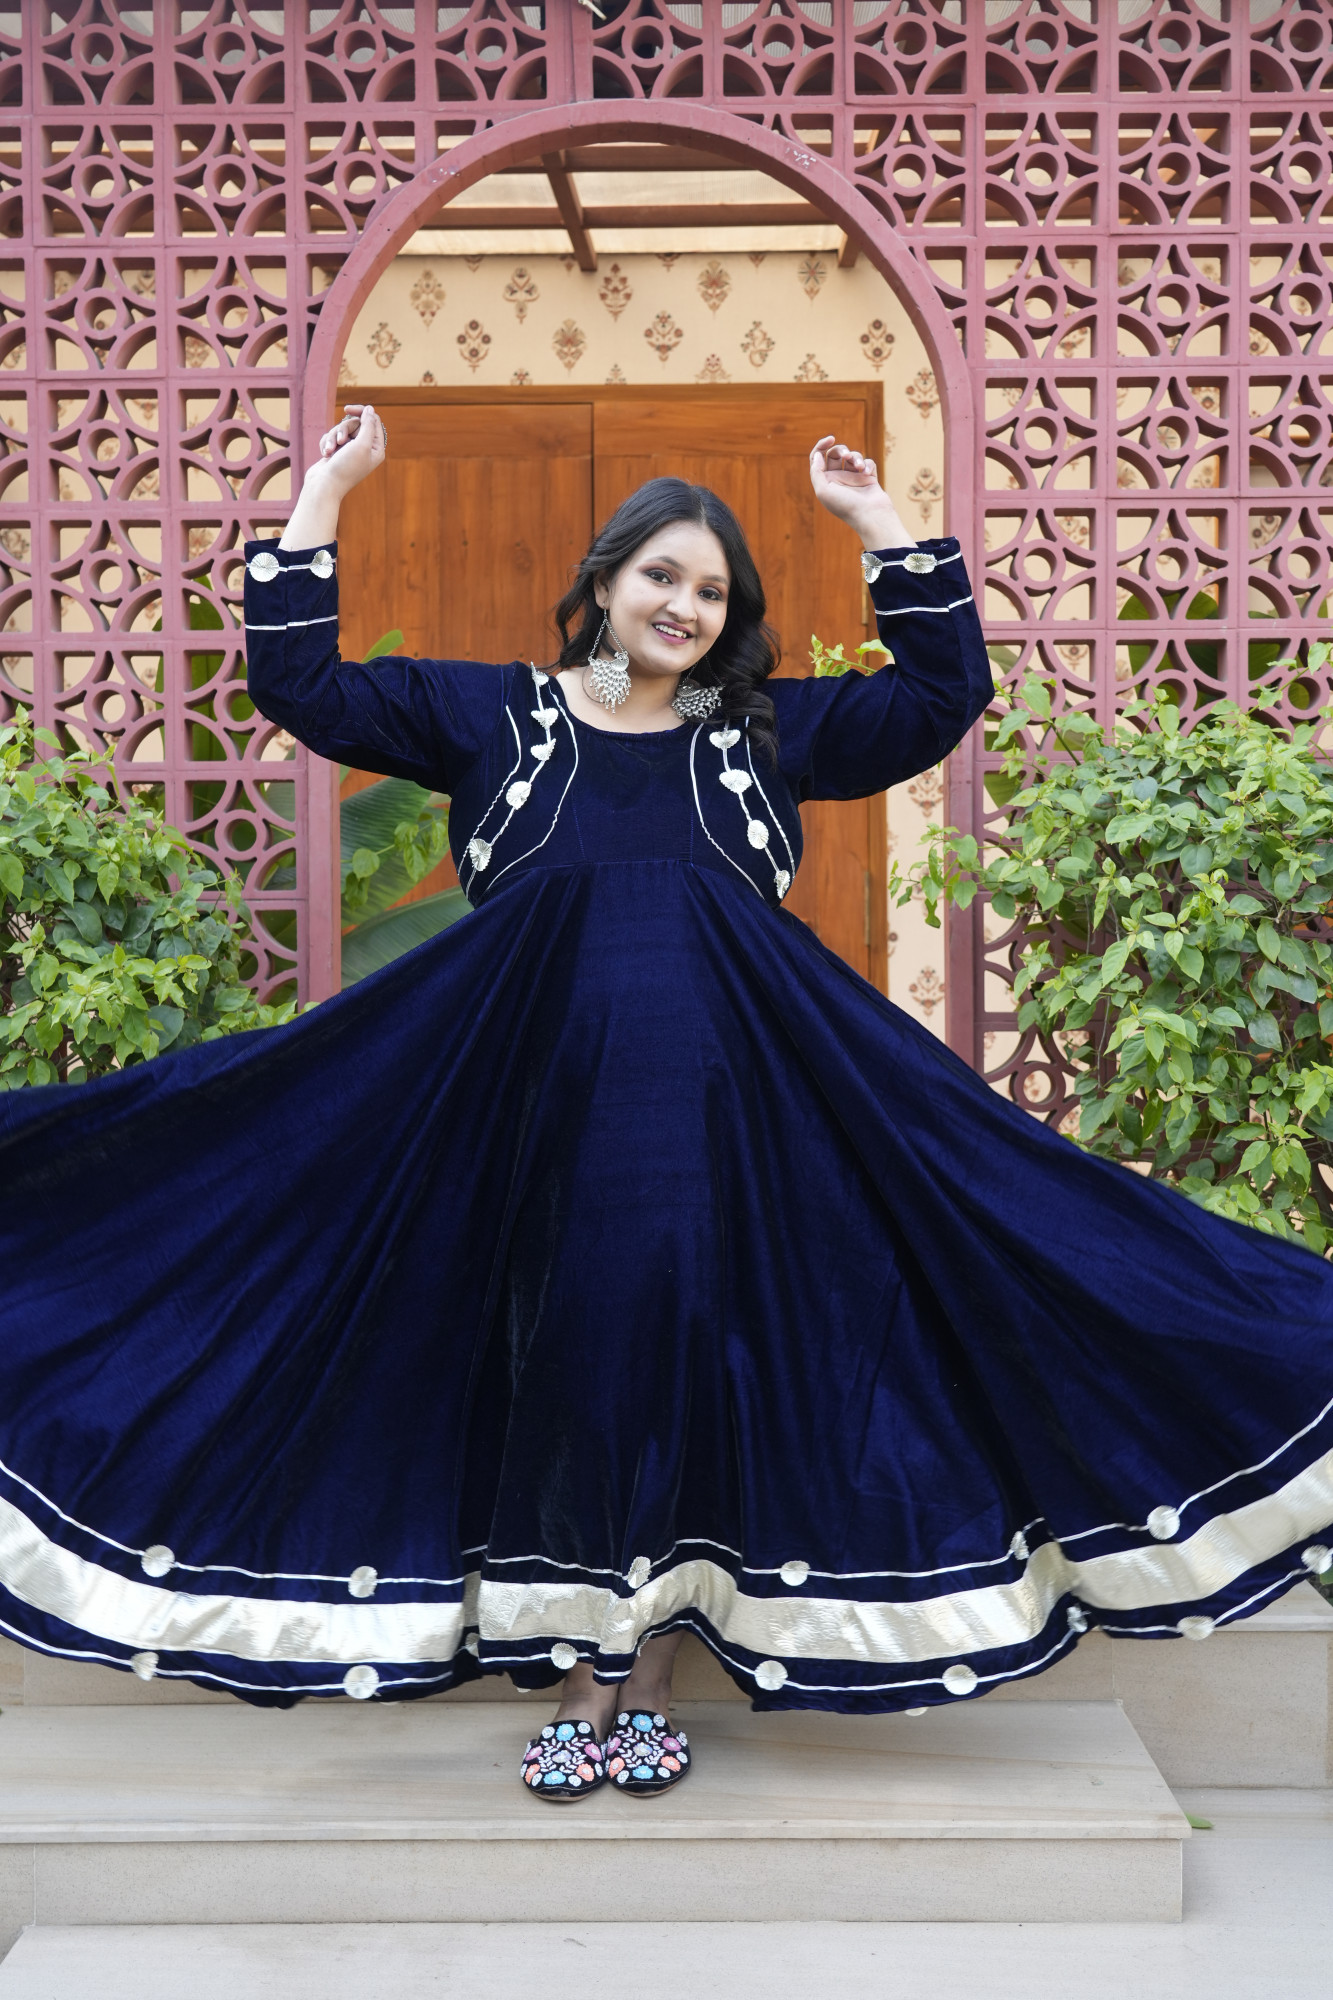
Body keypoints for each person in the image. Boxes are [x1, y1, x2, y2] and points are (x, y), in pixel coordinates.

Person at [0, 408, 1329, 1809]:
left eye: (712, 593)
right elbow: (302, 684)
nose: (684, 608)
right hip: (526, 1115)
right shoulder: (494, 715)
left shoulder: (754, 730)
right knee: (570, 1356)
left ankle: (643, 1681)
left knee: (713, 1346)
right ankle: (585, 1667)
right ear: (604, 576)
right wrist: (328, 486)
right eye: (662, 578)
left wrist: (879, 525)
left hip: (742, 1124)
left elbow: (935, 700)